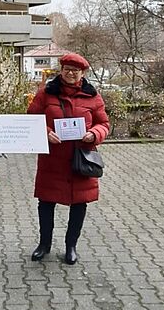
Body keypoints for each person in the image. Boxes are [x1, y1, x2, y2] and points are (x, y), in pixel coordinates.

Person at [27, 53, 109, 265]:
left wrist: (94, 134)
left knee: (79, 204)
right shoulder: (46, 93)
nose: (70, 73)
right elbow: (31, 118)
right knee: (46, 202)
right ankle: (44, 244)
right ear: (61, 70)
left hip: (81, 159)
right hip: (52, 160)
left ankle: (71, 246)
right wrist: (45, 132)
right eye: (67, 69)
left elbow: (103, 124)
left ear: (83, 73)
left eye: (75, 70)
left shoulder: (93, 96)